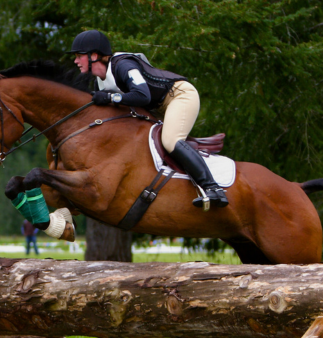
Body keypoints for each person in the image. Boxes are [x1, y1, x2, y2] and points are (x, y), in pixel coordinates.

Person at [66, 30, 228, 208]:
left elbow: (143, 96)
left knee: (170, 140)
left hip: (179, 96)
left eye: (78, 56)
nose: (75, 61)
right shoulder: (101, 81)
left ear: (94, 55)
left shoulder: (123, 65)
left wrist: (111, 98)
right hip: (158, 107)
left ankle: (213, 189)